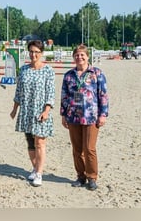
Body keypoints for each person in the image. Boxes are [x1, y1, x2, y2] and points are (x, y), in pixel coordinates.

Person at [60, 44, 109, 191]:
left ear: (88, 56)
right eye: (77, 55)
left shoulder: (97, 73)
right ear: (73, 57)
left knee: (89, 148)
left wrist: (103, 114)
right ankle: (80, 176)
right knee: (77, 149)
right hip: (73, 116)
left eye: (82, 55)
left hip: (91, 117)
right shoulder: (69, 75)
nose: (79, 57)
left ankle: (92, 177)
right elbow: (64, 96)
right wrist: (63, 114)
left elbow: (103, 95)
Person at [10, 40, 55, 187]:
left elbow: (51, 93)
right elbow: (19, 91)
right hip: (26, 111)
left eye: (36, 52)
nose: (33, 54)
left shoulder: (48, 70)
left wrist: (46, 111)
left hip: (41, 111)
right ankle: (35, 169)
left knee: (40, 143)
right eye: (31, 51)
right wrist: (15, 108)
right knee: (30, 143)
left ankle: (40, 174)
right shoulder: (23, 70)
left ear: (41, 53)